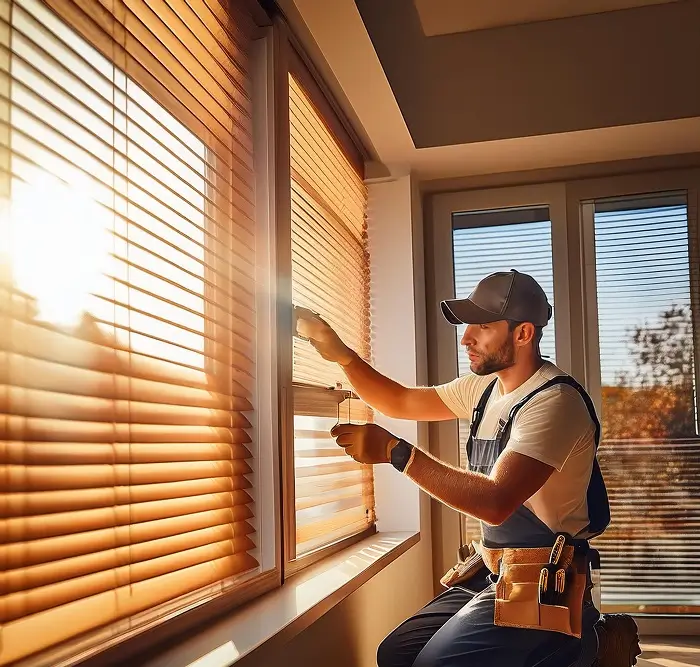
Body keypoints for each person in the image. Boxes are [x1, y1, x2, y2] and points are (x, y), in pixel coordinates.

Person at [295, 269, 641, 667]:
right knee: (395, 654)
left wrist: (396, 451)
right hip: (492, 572)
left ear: (523, 334)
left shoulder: (554, 402)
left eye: (482, 326)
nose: (466, 338)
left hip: (545, 583)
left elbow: (496, 502)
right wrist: (341, 355)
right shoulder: (484, 389)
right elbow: (402, 403)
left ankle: (591, 646)